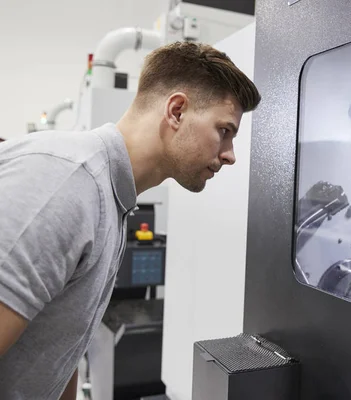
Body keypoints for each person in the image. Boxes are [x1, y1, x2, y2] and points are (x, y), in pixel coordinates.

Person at [0, 41, 261, 399]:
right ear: (177, 111)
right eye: (225, 130)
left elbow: (61, 348)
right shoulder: (67, 184)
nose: (229, 155)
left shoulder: (112, 200)